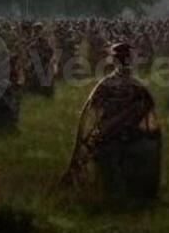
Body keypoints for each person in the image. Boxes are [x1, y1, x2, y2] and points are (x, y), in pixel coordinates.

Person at [62, 42, 161, 204]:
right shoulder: (137, 87)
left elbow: (93, 112)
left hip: (111, 138)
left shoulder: (106, 85)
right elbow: (150, 121)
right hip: (124, 139)